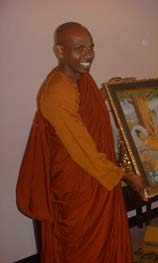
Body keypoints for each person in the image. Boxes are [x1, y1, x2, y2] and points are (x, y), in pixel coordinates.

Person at [16, 22, 147, 262]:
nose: (88, 55)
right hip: (78, 182)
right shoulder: (56, 92)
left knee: (103, 240)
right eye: (79, 48)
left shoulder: (79, 77)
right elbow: (83, 151)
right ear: (59, 51)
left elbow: (83, 108)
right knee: (82, 245)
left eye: (91, 47)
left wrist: (107, 92)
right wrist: (127, 176)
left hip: (93, 172)